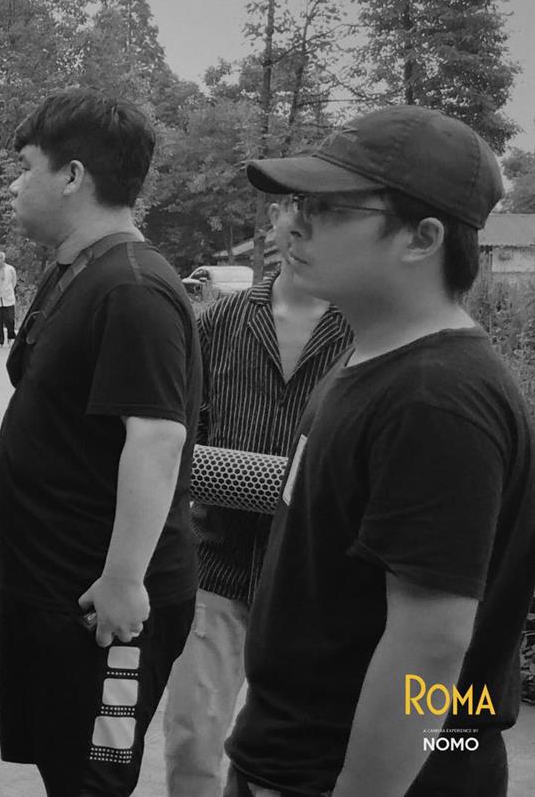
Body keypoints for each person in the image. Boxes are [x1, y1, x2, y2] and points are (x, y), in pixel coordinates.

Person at [225, 106, 532, 797]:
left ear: (423, 238)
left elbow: (431, 644)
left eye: (329, 208)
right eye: (297, 203)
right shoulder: (373, 357)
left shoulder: (437, 398)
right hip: (292, 760)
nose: (293, 224)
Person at [0, 89, 199, 796]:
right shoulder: (77, 269)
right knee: (63, 765)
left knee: (91, 782)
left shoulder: (133, 289)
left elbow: (157, 438)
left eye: (26, 168)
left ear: (72, 176)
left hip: (102, 609)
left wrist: (124, 579)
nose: (14, 185)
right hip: (53, 591)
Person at [159, 209, 353, 797]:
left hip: (312, 580)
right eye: (295, 215)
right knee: (192, 737)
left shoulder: (366, 334)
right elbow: (178, 435)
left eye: (323, 216)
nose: (303, 233)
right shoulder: (220, 322)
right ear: (273, 219)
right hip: (215, 565)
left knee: (282, 757)